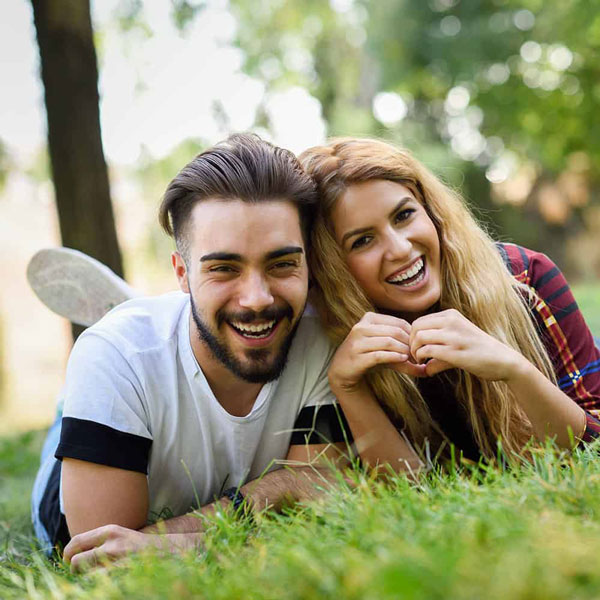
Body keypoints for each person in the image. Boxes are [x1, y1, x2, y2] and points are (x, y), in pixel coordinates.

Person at [31, 134, 351, 570]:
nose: (257, 298)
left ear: (308, 264)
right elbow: (101, 557)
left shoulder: (324, 342)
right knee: (109, 360)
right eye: (223, 268)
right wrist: (277, 489)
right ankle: (86, 392)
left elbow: (318, 491)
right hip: (113, 385)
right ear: (182, 272)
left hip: (152, 358)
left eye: (281, 264)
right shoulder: (117, 354)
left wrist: (175, 543)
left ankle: (163, 312)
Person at [298, 137, 600, 466]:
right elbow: (405, 495)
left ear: (432, 212)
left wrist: (513, 370)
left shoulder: (525, 277)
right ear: (332, 266)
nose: (400, 248)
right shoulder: (336, 342)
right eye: (363, 240)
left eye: (404, 215)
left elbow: (593, 446)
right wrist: (348, 386)